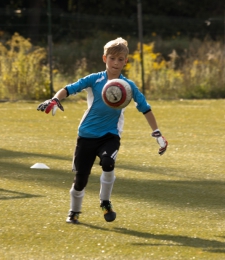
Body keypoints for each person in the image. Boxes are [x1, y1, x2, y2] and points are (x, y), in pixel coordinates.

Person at [37, 37, 168, 224]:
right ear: (104, 58)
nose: (116, 63)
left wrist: (157, 133)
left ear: (126, 61)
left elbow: (145, 107)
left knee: (108, 163)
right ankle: (74, 212)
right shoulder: (94, 79)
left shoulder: (128, 86)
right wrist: (55, 99)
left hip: (110, 135)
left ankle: (105, 202)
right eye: (112, 58)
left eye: (120, 59)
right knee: (80, 180)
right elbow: (69, 88)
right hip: (86, 135)